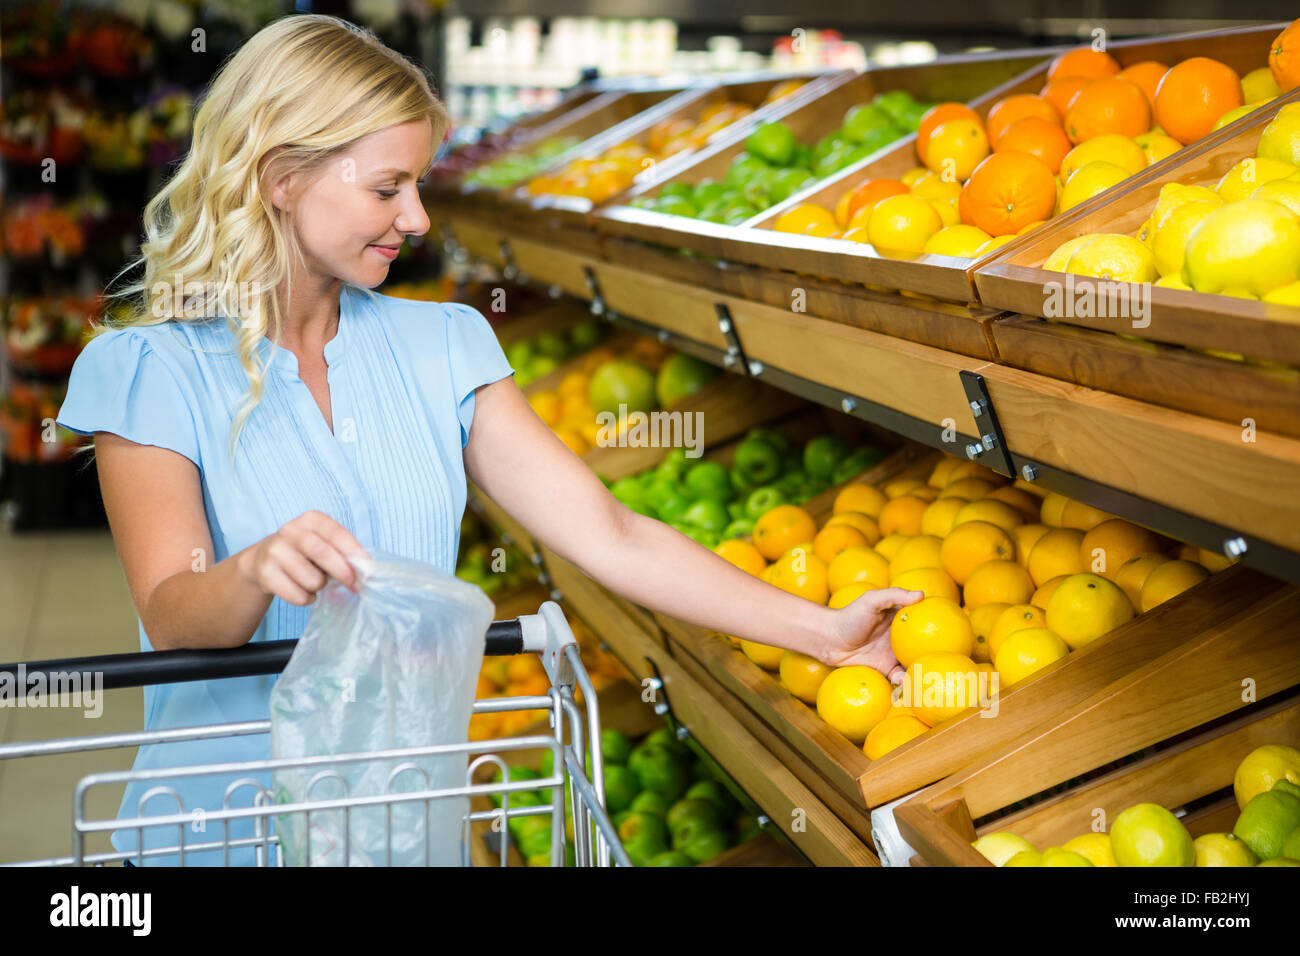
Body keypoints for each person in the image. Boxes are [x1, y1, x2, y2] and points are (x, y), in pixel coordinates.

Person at [56, 15, 920, 867]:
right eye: (388, 189)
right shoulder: (148, 370)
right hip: (219, 831)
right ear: (283, 178)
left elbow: (610, 533)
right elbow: (173, 616)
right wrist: (252, 571)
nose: (419, 218)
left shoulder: (447, 345)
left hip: (403, 827)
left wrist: (823, 634)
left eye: (419, 186)